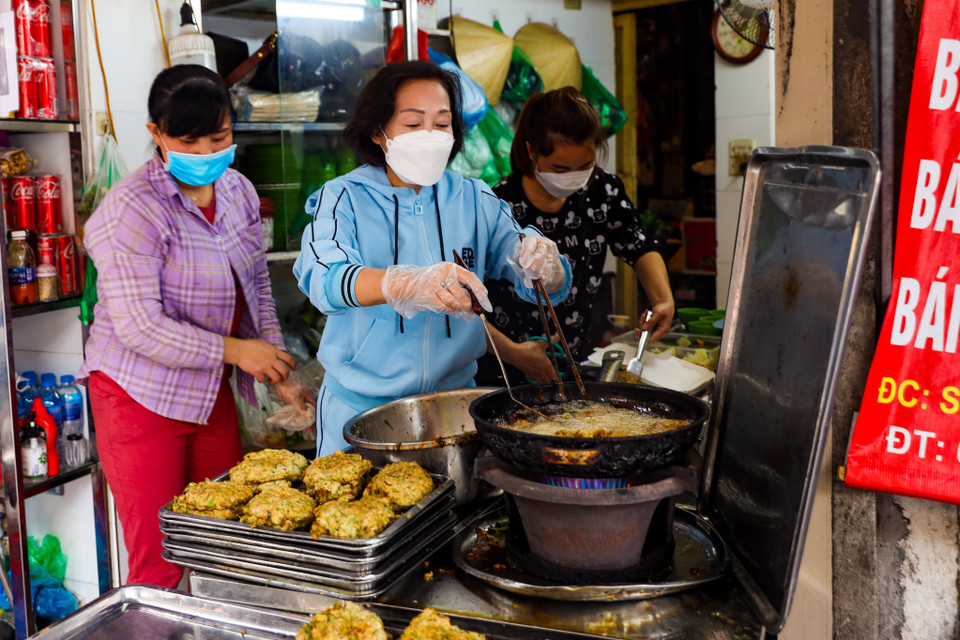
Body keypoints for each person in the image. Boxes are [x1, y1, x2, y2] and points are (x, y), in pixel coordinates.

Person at [77, 65, 311, 588]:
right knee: (161, 559)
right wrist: (238, 352)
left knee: (224, 540)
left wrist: (277, 370)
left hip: (208, 394)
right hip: (138, 396)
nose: (206, 152)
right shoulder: (131, 208)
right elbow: (140, 327)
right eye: (188, 141)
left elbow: (257, 288)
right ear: (156, 133)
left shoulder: (238, 192)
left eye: (219, 137)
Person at [293, 60, 571, 456]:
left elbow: (537, 278)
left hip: (453, 409)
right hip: (360, 411)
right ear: (378, 131)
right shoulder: (344, 198)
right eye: (413, 123)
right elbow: (324, 279)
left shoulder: (474, 198)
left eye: (441, 124)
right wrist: (401, 283)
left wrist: (547, 266)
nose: (430, 135)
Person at [476, 87, 675, 386]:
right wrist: (515, 354)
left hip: (572, 364)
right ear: (531, 151)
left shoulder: (602, 191)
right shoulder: (499, 205)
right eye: (559, 168)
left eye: (584, 166)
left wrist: (663, 300)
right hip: (503, 369)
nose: (573, 177)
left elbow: (638, 245)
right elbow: (469, 305)